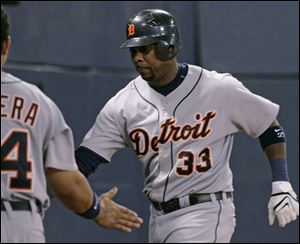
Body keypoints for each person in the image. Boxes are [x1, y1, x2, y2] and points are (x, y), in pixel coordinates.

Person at [75, 9, 299, 243]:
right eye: (133, 50)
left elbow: (267, 125)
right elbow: (82, 162)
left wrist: (281, 182)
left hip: (205, 212)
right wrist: (93, 205)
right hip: (158, 218)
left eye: (145, 48)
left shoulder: (218, 88)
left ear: (169, 47)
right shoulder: (122, 105)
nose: (137, 58)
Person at [1, 6, 143, 243]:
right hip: (21, 225)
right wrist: (96, 208)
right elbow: (66, 184)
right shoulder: (37, 102)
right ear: (5, 44)